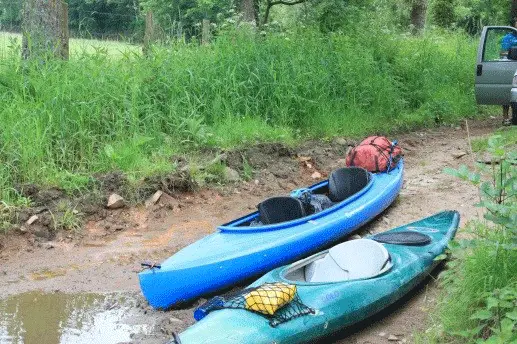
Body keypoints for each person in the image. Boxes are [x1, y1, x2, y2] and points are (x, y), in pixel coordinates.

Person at [500, 18, 517, 125]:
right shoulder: (508, 38)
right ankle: (505, 117)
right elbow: (503, 53)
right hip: (510, 66)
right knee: (507, 90)